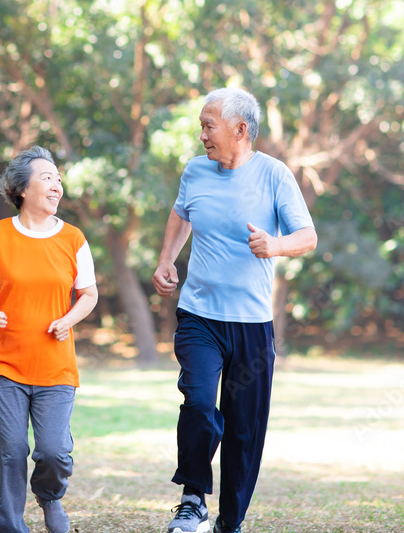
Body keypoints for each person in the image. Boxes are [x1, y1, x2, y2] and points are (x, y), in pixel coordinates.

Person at [152, 88, 317, 533]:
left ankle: (231, 521)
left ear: (240, 130)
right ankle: (192, 499)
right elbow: (181, 215)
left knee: (245, 430)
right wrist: (167, 259)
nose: (201, 134)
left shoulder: (274, 175)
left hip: (251, 324)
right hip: (200, 316)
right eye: (202, 125)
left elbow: (307, 236)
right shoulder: (195, 172)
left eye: (209, 125)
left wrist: (275, 245)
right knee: (201, 402)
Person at [0, 146, 99, 533]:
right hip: (6, 364)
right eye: (47, 178)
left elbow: (89, 294)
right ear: (22, 188)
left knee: (53, 452)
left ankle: (49, 497)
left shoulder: (73, 239)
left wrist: (69, 319)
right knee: (10, 451)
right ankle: (9, 526)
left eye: (58, 178)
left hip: (56, 366)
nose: (57, 185)